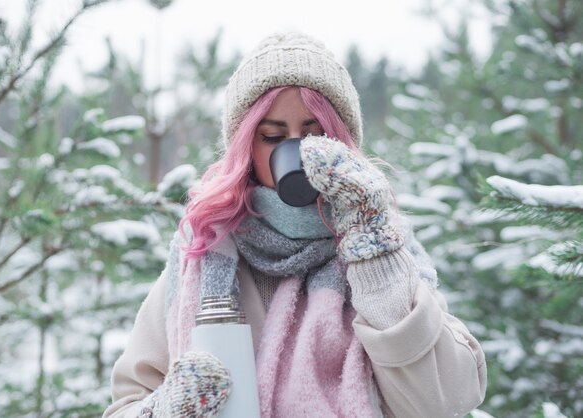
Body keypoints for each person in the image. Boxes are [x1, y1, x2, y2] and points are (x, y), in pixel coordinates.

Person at [102, 31, 487, 418]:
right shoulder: (205, 253)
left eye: (314, 134)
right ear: (245, 147)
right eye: (272, 136)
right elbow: (127, 404)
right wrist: (169, 409)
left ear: (340, 142)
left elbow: (444, 400)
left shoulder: (385, 245)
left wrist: (372, 252)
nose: (297, 151)